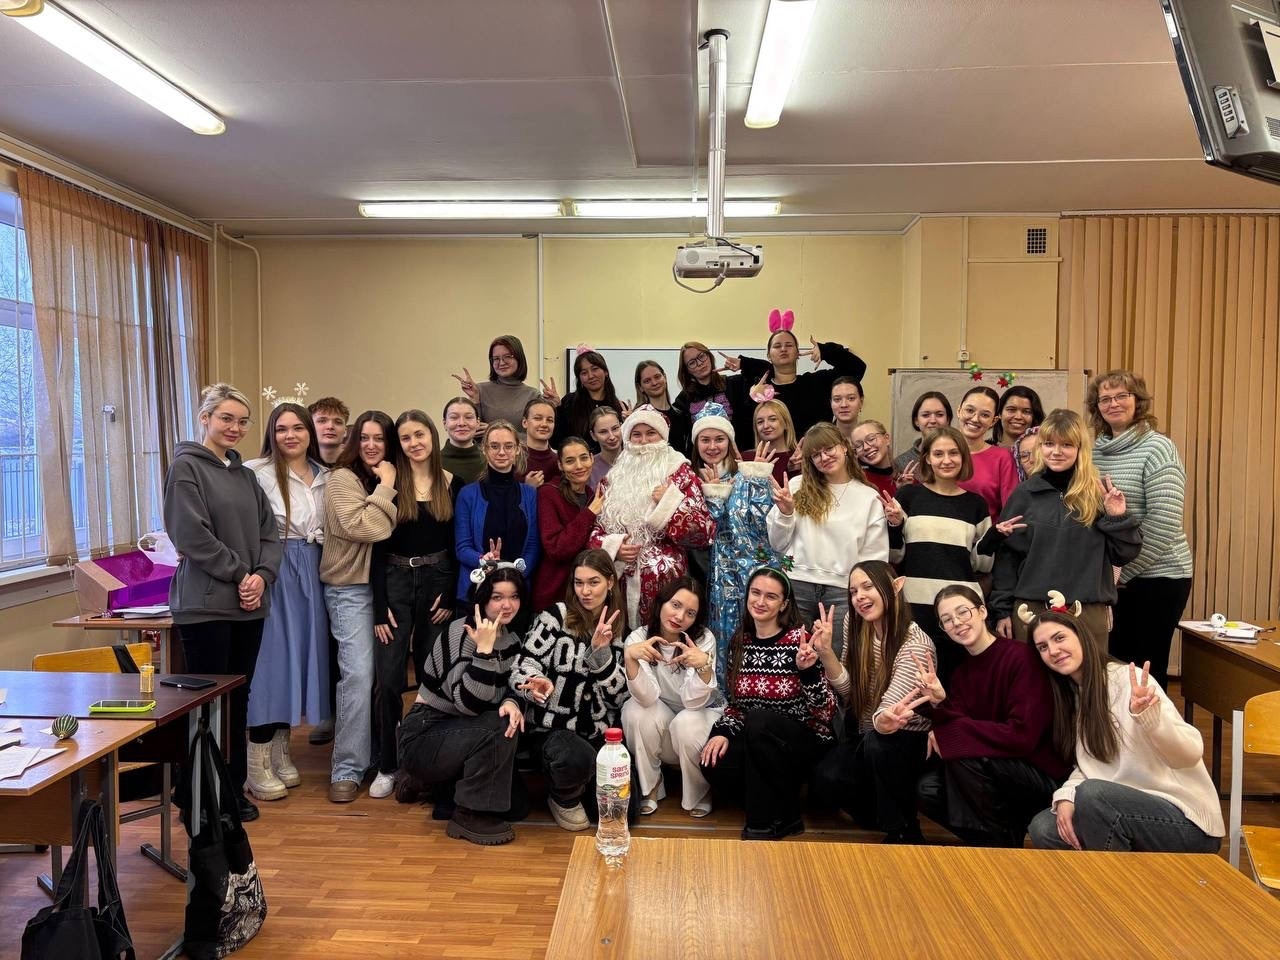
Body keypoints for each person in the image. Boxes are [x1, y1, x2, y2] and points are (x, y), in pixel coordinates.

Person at [164, 383, 281, 822]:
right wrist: (240, 574)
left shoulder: (245, 476)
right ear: (205, 418)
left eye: (242, 421)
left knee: (237, 699)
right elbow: (190, 535)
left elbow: (271, 534)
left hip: (249, 604)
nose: (235, 427)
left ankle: (230, 790)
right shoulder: (186, 468)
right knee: (207, 703)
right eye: (226, 418)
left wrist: (262, 576)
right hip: (206, 605)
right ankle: (200, 795)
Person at [1027, 608, 1223, 853]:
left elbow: (1189, 754)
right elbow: (1091, 764)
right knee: (1044, 828)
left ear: (1081, 635)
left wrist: (1150, 720)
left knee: (1093, 796)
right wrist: (1067, 795)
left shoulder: (1130, 681)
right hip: (1123, 810)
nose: (1053, 650)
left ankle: (1112, 877)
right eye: (1043, 647)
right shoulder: (1073, 696)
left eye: (1059, 638)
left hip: (1186, 820)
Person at [915, 586, 1068, 847]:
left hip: (1037, 771)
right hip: (992, 770)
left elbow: (1022, 737)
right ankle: (998, 840)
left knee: (962, 751)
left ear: (983, 612)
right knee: (927, 789)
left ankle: (995, 845)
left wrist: (951, 733)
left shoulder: (1020, 657)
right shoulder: (961, 674)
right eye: (947, 620)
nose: (957, 623)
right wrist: (940, 701)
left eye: (963, 612)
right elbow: (960, 722)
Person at [398, 564, 531, 846]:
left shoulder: (511, 638)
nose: (507, 605)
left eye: (514, 596)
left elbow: (513, 685)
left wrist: (511, 700)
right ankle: (468, 815)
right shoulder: (462, 632)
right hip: (426, 731)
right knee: (500, 724)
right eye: (497, 597)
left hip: (466, 732)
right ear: (483, 599)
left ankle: (438, 787)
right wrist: (483, 651)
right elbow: (469, 705)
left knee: (517, 806)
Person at [700, 567, 836, 840]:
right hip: (757, 737)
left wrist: (808, 671)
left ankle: (762, 822)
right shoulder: (740, 642)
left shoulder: (801, 641)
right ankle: (783, 809)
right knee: (713, 762)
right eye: (756, 593)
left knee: (760, 721)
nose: (761, 601)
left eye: (771, 596)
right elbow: (737, 706)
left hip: (803, 737)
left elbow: (825, 711)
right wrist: (721, 732)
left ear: (784, 604)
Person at [368, 410, 463, 800]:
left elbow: (456, 544)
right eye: (405, 438)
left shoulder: (451, 482)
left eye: (419, 434)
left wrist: (451, 593)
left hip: (438, 583)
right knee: (388, 679)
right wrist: (379, 606)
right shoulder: (389, 482)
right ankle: (387, 764)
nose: (414, 443)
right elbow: (375, 547)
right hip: (395, 581)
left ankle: (424, 763)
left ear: (432, 436)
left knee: (431, 676)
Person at [985, 409, 1142, 642]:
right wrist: (1002, 610)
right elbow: (1008, 558)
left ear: (1080, 449)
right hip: (1031, 611)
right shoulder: (1023, 494)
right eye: (1049, 444)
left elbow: (1124, 554)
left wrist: (1117, 518)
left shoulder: (1099, 494)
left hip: (1087, 611)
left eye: (1066, 445)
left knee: (1089, 668)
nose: (1056, 452)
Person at [808, 561, 935, 843]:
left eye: (868, 587)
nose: (859, 597)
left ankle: (903, 830)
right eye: (854, 591)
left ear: (896, 586)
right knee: (825, 780)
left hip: (907, 739)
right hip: (870, 734)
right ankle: (878, 814)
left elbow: (890, 710)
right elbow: (851, 692)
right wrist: (826, 652)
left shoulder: (916, 643)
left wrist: (879, 721)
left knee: (881, 742)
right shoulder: (856, 625)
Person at [243, 402, 330, 801]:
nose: (290, 435)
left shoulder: (325, 475)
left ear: (310, 432)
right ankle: (256, 758)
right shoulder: (255, 472)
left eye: (298, 427)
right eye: (281, 429)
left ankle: (281, 748)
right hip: (275, 567)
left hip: (314, 567)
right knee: (272, 663)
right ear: (271, 434)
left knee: (299, 661)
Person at [1087, 371, 1193, 691]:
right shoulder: (1095, 451)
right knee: (1116, 669)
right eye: (1105, 399)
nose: (1113, 403)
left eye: (1122, 395)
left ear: (1138, 401)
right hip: (1114, 578)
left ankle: (1151, 725)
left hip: (1158, 577)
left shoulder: (1158, 447)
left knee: (1146, 670)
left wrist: (1120, 573)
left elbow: (1163, 523)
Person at [509, 549, 630, 831]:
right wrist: (535, 682)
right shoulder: (555, 616)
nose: (585, 591)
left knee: (626, 813)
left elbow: (621, 698)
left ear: (610, 582)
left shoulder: (622, 629)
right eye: (578, 582)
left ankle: (581, 787)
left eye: (593, 582)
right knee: (574, 756)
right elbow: (522, 665)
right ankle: (563, 798)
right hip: (552, 732)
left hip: (597, 735)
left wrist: (601, 656)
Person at [320, 410, 398, 803]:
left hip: (388, 589)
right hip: (349, 589)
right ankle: (347, 768)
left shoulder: (390, 476)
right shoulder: (342, 478)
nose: (371, 445)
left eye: (379, 438)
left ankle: (382, 759)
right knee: (357, 676)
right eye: (364, 438)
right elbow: (367, 527)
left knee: (386, 679)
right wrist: (387, 487)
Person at [767, 422, 888, 655]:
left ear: (844, 447)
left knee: (837, 658)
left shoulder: (868, 496)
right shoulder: (797, 486)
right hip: (797, 582)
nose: (824, 457)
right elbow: (777, 543)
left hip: (843, 591)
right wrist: (786, 513)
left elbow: (875, 556)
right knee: (791, 656)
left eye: (829, 449)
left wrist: (863, 590)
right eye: (816, 454)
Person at [588, 404, 714, 628]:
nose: (644, 441)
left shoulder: (681, 473)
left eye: (651, 433)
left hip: (666, 585)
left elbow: (704, 533)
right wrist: (614, 547)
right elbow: (594, 530)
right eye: (636, 434)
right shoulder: (613, 477)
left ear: (662, 436)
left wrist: (669, 503)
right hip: (619, 583)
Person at [884, 426, 994, 677]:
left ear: (963, 458)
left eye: (953, 453)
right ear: (927, 459)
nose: (946, 460)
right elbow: (895, 555)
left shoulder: (976, 505)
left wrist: (994, 537)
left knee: (959, 682)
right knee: (914, 680)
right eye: (938, 454)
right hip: (915, 606)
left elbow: (982, 564)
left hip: (961, 611)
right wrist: (894, 525)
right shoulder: (908, 496)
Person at [621, 577, 720, 817]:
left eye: (690, 613)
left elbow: (693, 702)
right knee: (635, 710)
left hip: (699, 719)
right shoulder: (638, 638)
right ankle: (651, 786)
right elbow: (646, 698)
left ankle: (700, 790)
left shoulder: (703, 639)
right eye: (675, 605)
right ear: (661, 603)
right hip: (663, 723)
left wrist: (703, 666)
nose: (679, 616)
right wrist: (630, 659)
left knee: (686, 721)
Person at [694, 403, 779, 683]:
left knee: (759, 634)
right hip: (718, 579)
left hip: (755, 575)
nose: (712, 446)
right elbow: (703, 533)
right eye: (705, 440)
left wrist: (758, 481)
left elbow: (764, 523)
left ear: (730, 442)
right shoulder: (692, 481)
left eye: (719, 439)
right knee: (724, 637)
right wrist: (714, 496)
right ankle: (726, 695)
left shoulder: (748, 475)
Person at [725, 309, 867, 438]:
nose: (783, 349)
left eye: (789, 345)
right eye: (777, 346)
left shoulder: (817, 383)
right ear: (769, 355)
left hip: (817, 454)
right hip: (772, 456)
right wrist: (752, 400)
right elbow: (743, 433)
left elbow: (857, 368)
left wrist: (827, 351)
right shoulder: (759, 389)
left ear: (798, 353)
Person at [454, 420, 540, 600]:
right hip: (476, 592)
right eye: (494, 446)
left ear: (517, 449)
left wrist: (514, 576)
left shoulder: (530, 494)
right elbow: (462, 548)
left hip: (517, 593)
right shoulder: (467, 494)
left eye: (508, 446)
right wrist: (484, 559)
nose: (502, 452)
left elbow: (533, 546)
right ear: (484, 449)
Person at [305, 395, 348, 747]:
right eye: (322, 420)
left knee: (341, 643)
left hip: (344, 565)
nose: (329, 427)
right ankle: (322, 712)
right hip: (307, 560)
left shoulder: (353, 465)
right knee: (317, 640)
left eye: (336, 421)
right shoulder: (302, 465)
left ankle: (342, 714)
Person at [533, 437, 604, 611]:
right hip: (555, 594)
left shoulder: (592, 496)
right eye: (570, 461)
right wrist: (588, 514)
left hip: (586, 594)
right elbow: (555, 548)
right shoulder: (549, 493)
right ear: (560, 465)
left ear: (592, 458)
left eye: (584, 458)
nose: (579, 466)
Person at [451, 335, 543, 436]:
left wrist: (494, 431)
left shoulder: (533, 395)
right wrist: (474, 399)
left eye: (508, 356)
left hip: (521, 447)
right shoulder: (480, 390)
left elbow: (537, 436)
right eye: (496, 359)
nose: (501, 363)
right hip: (484, 447)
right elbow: (472, 432)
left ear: (519, 358)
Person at [955, 385, 1019, 521]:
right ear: (959, 411)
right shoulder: (939, 452)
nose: (975, 419)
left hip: (986, 533)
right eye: (969, 410)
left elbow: (1011, 512)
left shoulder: (1002, 458)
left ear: (993, 421)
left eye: (985, 415)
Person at [550, 349, 627, 448]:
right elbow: (556, 443)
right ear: (580, 379)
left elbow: (627, 445)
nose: (591, 376)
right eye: (584, 373)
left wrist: (631, 423)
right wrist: (557, 409)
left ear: (605, 372)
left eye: (595, 369)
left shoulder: (620, 407)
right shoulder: (569, 402)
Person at [672, 340, 748, 437]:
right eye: (692, 363)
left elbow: (766, 373)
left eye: (701, 356)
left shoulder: (734, 384)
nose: (699, 363)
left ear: (709, 356)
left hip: (736, 446)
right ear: (687, 371)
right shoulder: (684, 398)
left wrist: (743, 363)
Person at [893, 391, 952, 479]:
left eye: (939, 415)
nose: (933, 420)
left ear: (948, 419)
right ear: (916, 421)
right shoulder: (901, 462)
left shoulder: (959, 456)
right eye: (925, 415)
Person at [634, 360, 689, 455]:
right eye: (647, 381)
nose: (654, 383)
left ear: (665, 377)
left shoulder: (681, 414)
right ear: (640, 387)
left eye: (657, 377)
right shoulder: (641, 417)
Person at [742, 398, 797, 484]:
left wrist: (795, 470)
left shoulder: (798, 458)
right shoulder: (746, 458)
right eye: (760, 422)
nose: (766, 426)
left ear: (786, 423)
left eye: (772, 419)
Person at [440, 396, 486, 484]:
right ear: (445, 423)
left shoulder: (489, 462)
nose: (461, 423)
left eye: (468, 417)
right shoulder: (433, 463)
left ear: (478, 423)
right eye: (454, 417)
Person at [519, 397, 560, 488]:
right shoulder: (512, 458)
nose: (544, 424)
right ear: (525, 422)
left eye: (550, 420)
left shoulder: (559, 462)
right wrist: (527, 489)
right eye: (537, 418)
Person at [851, 419, 896, 498]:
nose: (866, 447)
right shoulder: (858, 483)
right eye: (858, 445)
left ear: (887, 439)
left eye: (871, 439)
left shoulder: (905, 477)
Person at [993, 385, 1044, 451]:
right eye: (1011, 410)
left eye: (1026, 412)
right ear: (999, 413)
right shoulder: (984, 451)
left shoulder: (1045, 453)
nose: (1018, 417)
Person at [586, 406, 623, 489]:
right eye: (603, 432)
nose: (612, 437)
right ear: (593, 435)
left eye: (615, 428)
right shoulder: (588, 468)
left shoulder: (637, 460)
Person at [308, 396, 349, 467]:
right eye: (322, 421)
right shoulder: (299, 463)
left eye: (338, 422)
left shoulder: (357, 465)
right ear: (310, 427)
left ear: (345, 431)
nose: (330, 426)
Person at [830, 376, 864, 444]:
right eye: (837, 399)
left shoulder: (872, 437)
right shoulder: (820, 440)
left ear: (861, 402)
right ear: (831, 403)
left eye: (851, 398)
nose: (844, 405)